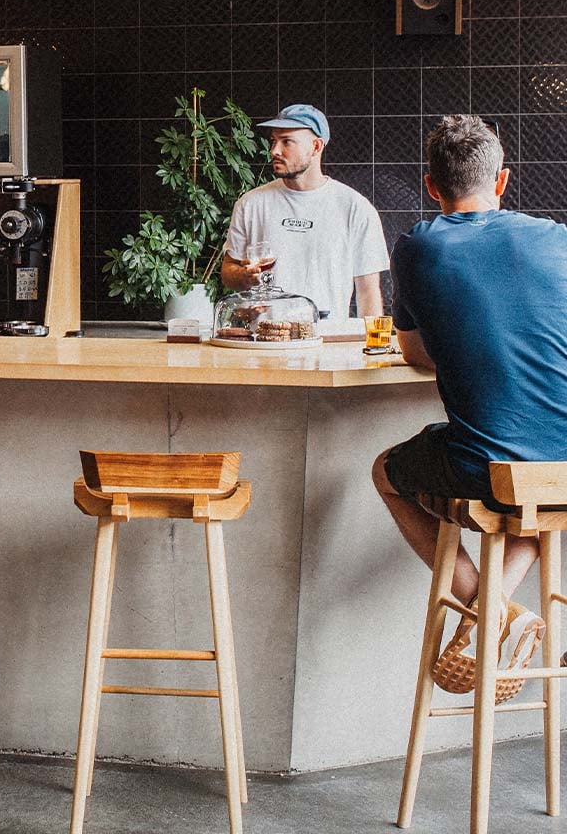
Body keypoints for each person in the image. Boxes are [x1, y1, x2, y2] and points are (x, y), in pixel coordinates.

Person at [372, 114, 567, 696]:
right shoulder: (557, 238)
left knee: (385, 472)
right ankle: (503, 611)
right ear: (503, 180)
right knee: (533, 504)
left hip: (488, 466)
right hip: (563, 469)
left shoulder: (419, 245)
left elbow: (414, 350)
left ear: (432, 187)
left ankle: (498, 613)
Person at [221, 103, 388, 320]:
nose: (274, 150)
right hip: (263, 343)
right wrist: (245, 277)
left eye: (287, 141)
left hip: (327, 343)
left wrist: (372, 348)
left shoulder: (355, 208)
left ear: (316, 146)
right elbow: (227, 272)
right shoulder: (251, 204)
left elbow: (368, 293)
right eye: (274, 141)